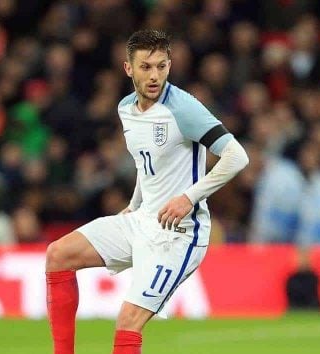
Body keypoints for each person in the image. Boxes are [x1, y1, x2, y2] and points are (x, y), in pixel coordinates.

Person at [44, 29, 249, 354]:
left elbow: (237, 156)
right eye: (145, 67)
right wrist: (135, 203)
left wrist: (189, 197)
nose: (154, 76)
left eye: (161, 66)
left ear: (169, 65)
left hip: (179, 234)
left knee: (127, 320)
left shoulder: (183, 108)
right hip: (141, 220)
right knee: (58, 255)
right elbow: (148, 163)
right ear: (128, 68)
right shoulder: (127, 108)